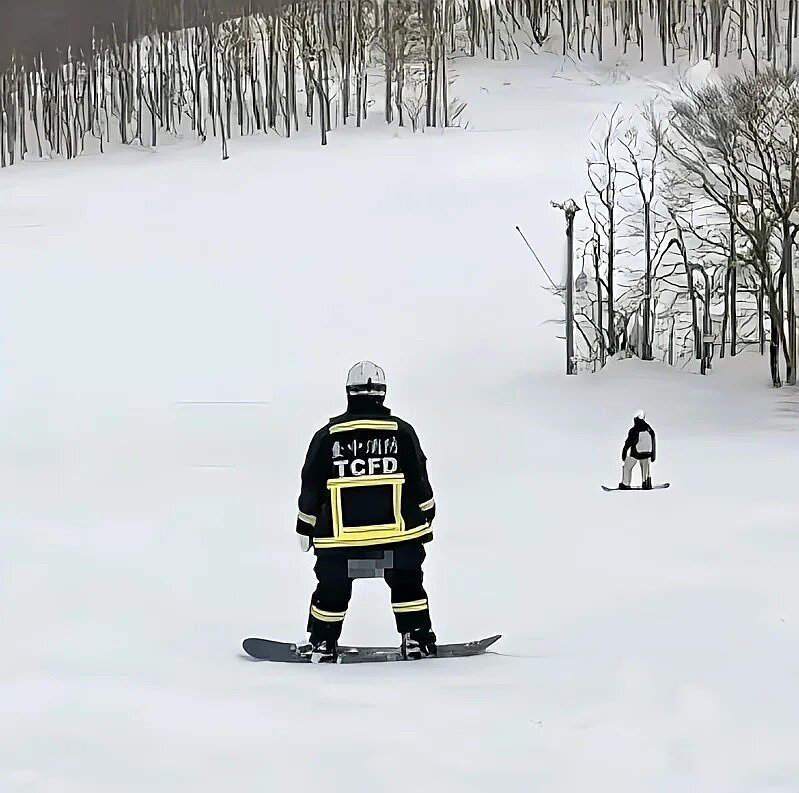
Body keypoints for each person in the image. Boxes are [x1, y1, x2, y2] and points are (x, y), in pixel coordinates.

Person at [295, 361, 437, 663]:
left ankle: (323, 642)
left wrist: (305, 525)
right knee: (407, 583)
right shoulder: (401, 432)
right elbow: (418, 478)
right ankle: (415, 638)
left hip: (340, 542)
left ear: (349, 393)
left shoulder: (328, 436)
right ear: (382, 394)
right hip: (398, 538)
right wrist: (428, 510)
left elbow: (311, 484)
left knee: (332, 589)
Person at [620, 409, 656, 490]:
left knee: (627, 467)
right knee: (646, 468)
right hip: (648, 454)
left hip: (636, 454)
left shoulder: (634, 430)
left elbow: (628, 443)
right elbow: (653, 443)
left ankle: (625, 483)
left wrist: (624, 452)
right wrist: (653, 455)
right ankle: (646, 482)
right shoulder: (650, 430)